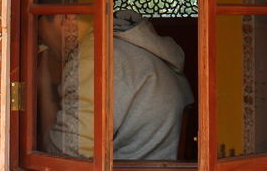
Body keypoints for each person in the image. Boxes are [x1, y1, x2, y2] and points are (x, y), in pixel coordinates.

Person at [37, 9, 193, 160]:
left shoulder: (98, 56)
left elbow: (64, 157)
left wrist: (44, 85)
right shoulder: (125, 45)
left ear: (65, 17)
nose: (49, 51)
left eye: (44, 42)